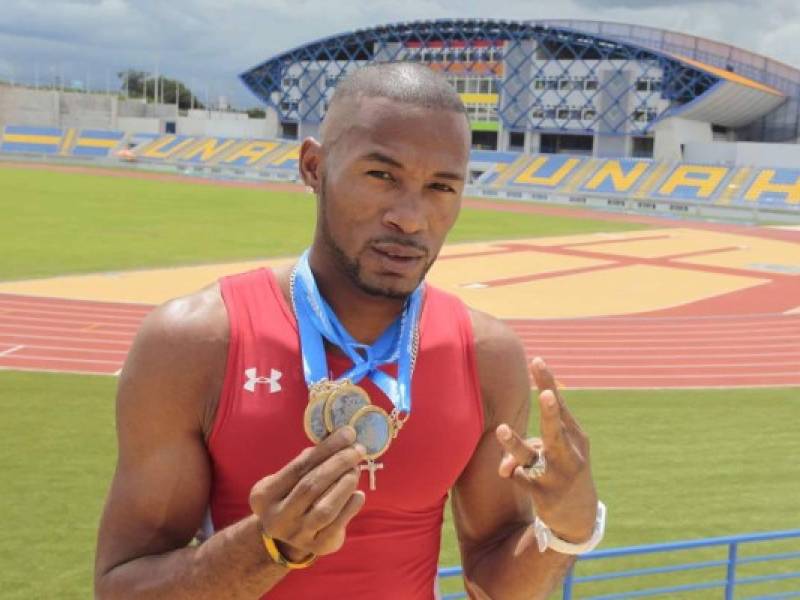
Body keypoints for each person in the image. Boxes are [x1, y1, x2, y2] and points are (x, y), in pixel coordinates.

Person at [94, 62, 602, 600]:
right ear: (313, 167)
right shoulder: (194, 345)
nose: (411, 218)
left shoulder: (484, 356)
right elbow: (122, 588)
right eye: (381, 176)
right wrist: (267, 548)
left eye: (440, 186)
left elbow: (491, 584)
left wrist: (566, 532)